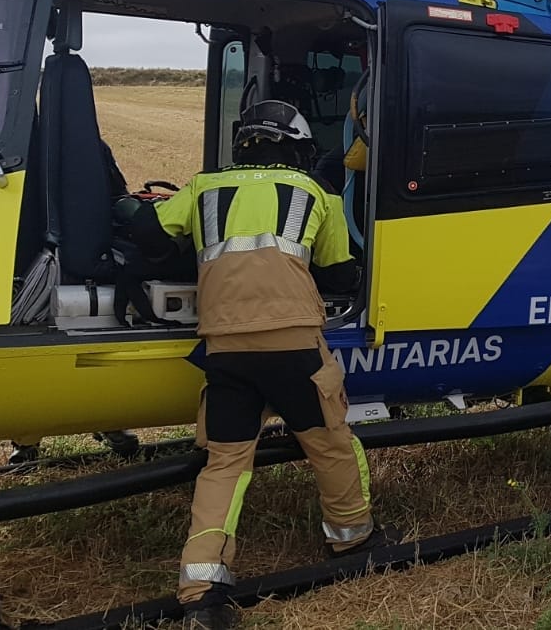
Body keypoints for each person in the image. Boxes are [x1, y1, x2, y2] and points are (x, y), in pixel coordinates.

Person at [128, 100, 388, 628]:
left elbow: (148, 235)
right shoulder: (316, 192)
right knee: (331, 442)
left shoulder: (203, 187)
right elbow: (341, 277)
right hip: (294, 344)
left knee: (225, 464)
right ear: (295, 145)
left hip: (225, 348)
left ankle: (201, 588)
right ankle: (352, 539)